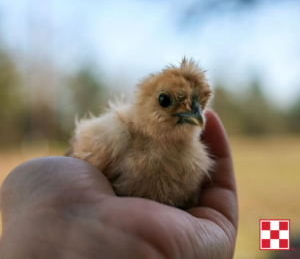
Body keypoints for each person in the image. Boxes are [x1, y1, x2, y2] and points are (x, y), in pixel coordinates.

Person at [0, 110, 238, 259]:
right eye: (166, 101)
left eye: (199, 104)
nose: (192, 111)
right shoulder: (114, 136)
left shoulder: (196, 160)